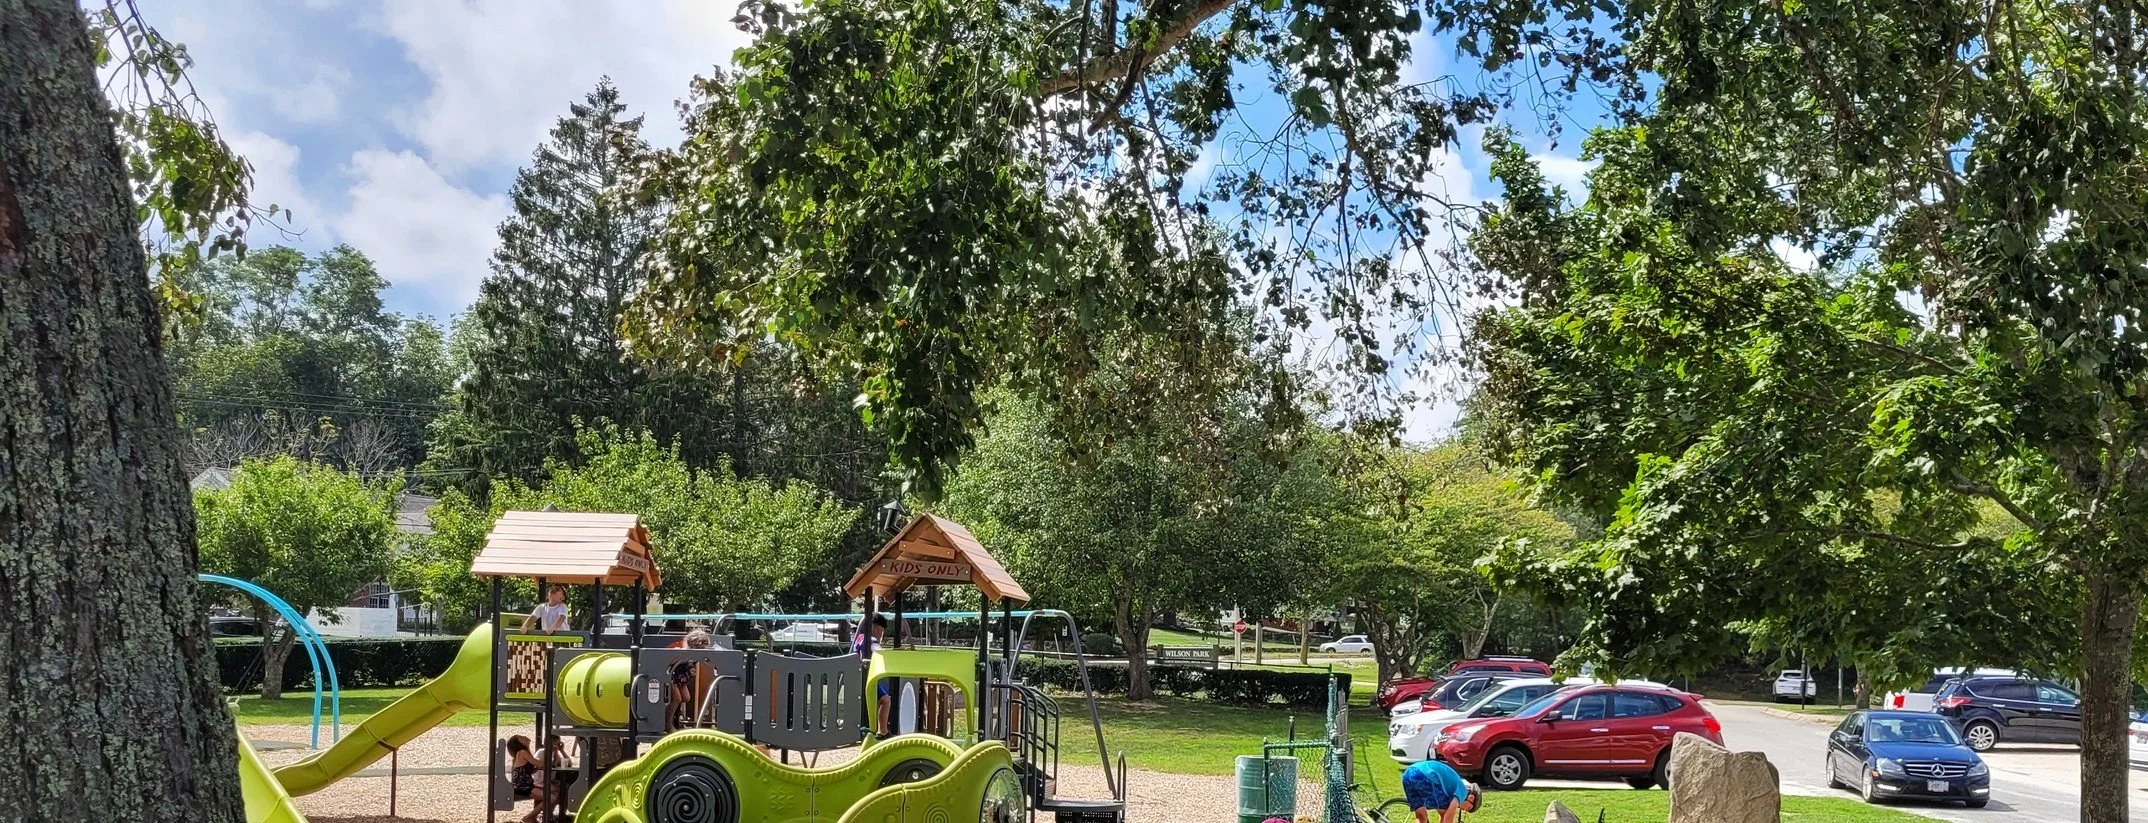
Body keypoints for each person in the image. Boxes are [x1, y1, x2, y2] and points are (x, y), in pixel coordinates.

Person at [1401, 759, 1480, 823]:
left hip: (1408, 773)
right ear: (1471, 797)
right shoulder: (1463, 791)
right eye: (1468, 808)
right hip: (1425, 776)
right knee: (1444, 813)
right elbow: (1447, 818)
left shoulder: (1454, 784)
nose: (1463, 810)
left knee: (1421, 817)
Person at [853, 614, 891, 735]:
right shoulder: (871, 640)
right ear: (875, 628)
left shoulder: (859, 638)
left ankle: (874, 727)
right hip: (867, 677)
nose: (882, 635)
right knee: (885, 700)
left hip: (856, 676)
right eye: (881, 630)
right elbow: (877, 650)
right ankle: (882, 731)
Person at [668, 629, 713, 730]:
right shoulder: (680, 650)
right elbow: (670, 663)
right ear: (692, 645)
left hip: (680, 678)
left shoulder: (695, 654)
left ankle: (676, 718)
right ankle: (668, 723)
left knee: (686, 697)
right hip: (671, 676)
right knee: (677, 698)